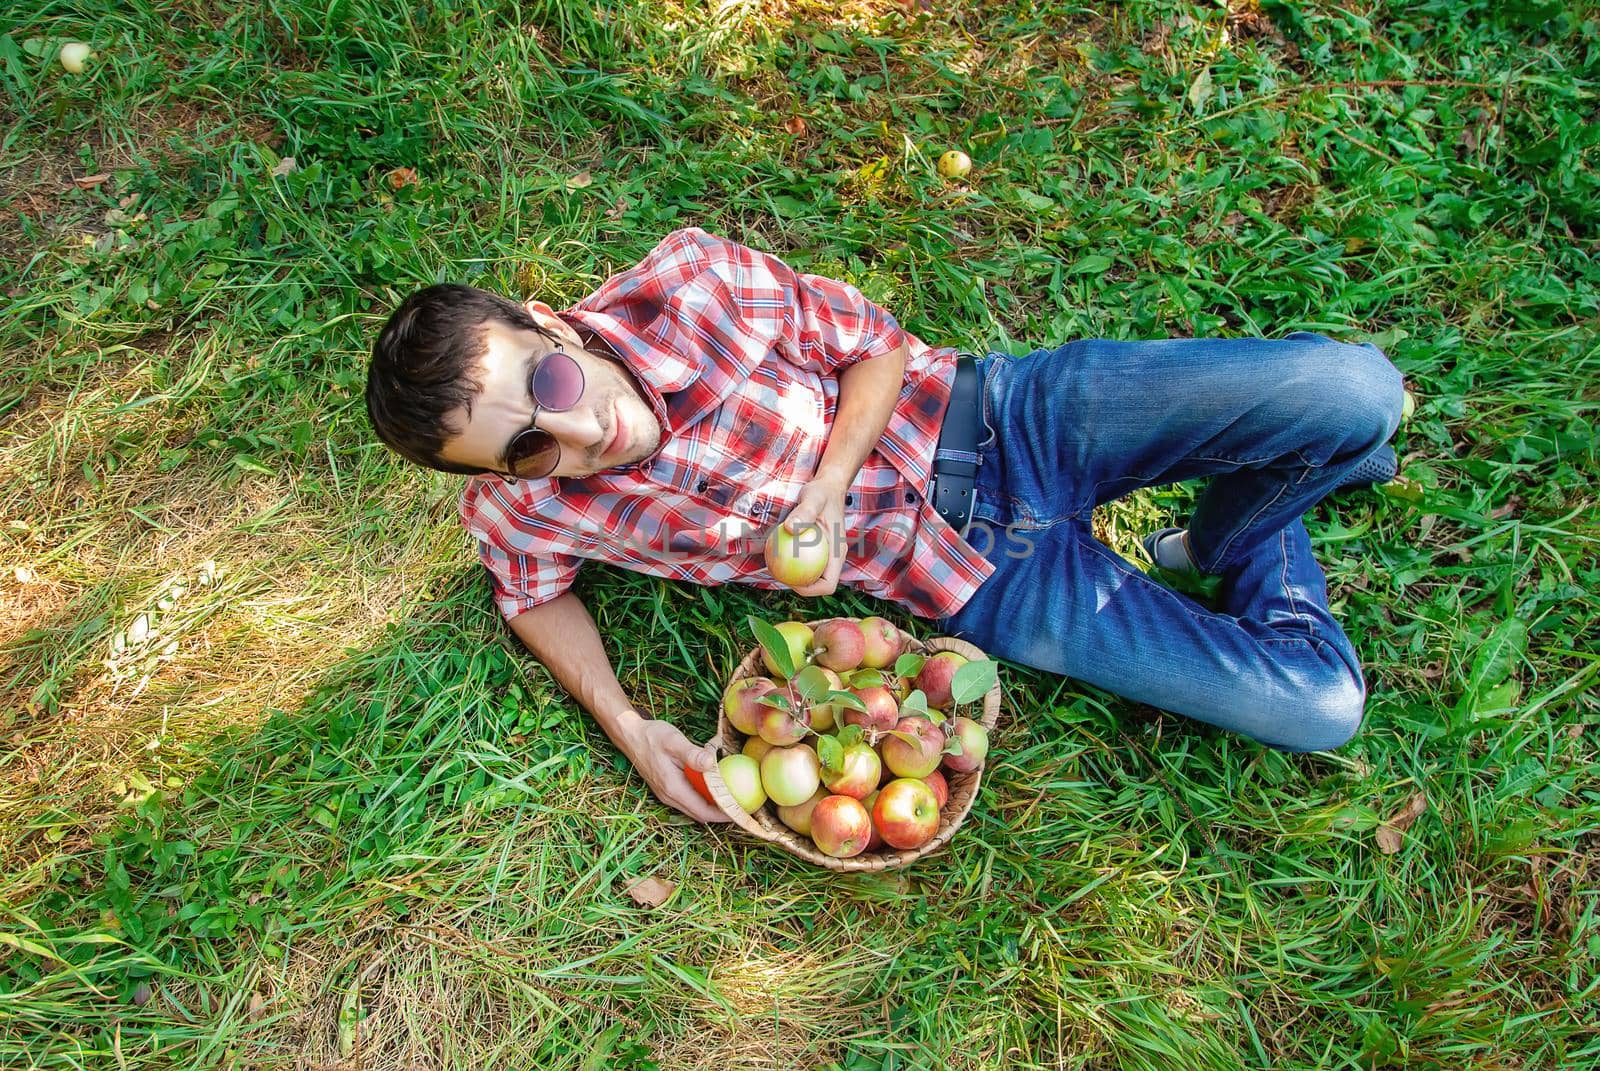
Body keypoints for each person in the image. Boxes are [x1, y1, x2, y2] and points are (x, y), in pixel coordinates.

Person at [366, 226, 1404, 824]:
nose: (579, 429)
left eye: (547, 381)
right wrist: (633, 729)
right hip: (977, 580)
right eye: (525, 445)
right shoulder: (524, 504)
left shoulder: (690, 285)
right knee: (1321, 709)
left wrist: (821, 494)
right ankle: (1251, 525)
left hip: (1009, 418)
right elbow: (531, 597)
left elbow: (875, 345)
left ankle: (1229, 533)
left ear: (547, 322)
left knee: (1358, 394)